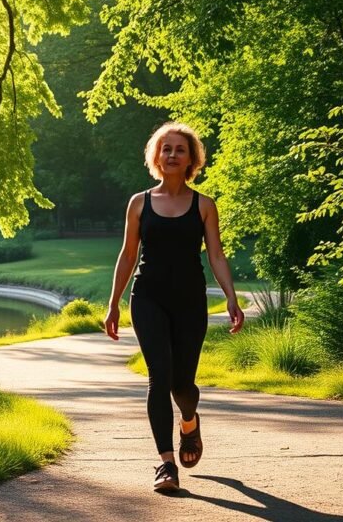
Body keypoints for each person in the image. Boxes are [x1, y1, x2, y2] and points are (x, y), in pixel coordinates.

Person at [103, 121, 244, 493]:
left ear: (191, 159)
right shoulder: (139, 203)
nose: (172, 155)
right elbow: (128, 255)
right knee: (159, 377)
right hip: (147, 297)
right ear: (156, 156)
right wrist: (113, 303)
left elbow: (215, 254)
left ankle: (190, 421)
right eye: (166, 148)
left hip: (190, 301)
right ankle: (166, 465)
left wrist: (230, 296)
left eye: (179, 149)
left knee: (183, 384)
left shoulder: (203, 205)